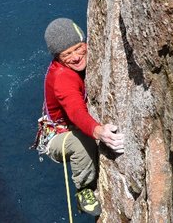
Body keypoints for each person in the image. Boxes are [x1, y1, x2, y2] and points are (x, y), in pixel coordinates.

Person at [37, 18, 125, 216]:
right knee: (81, 142)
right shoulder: (63, 78)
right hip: (58, 137)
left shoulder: (76, 61)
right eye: (67, 54)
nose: (76, 57)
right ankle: (84, 190)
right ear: (58, 58)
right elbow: (75, 111)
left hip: (67, 125)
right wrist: (99, 131)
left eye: (79, 48)